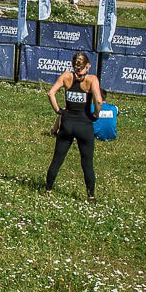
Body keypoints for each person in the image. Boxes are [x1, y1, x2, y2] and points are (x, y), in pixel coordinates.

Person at [45, 52, 103, 202]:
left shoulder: (66, 76)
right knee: (87, 162)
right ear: (88, 66)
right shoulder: (91, 79)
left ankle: (48, 190)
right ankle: (90, 196)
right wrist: (95, 115)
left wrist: (58, 110)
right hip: (84, 125)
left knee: (57, 159)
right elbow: (98, 101)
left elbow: (51, 93)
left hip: (67, 124)